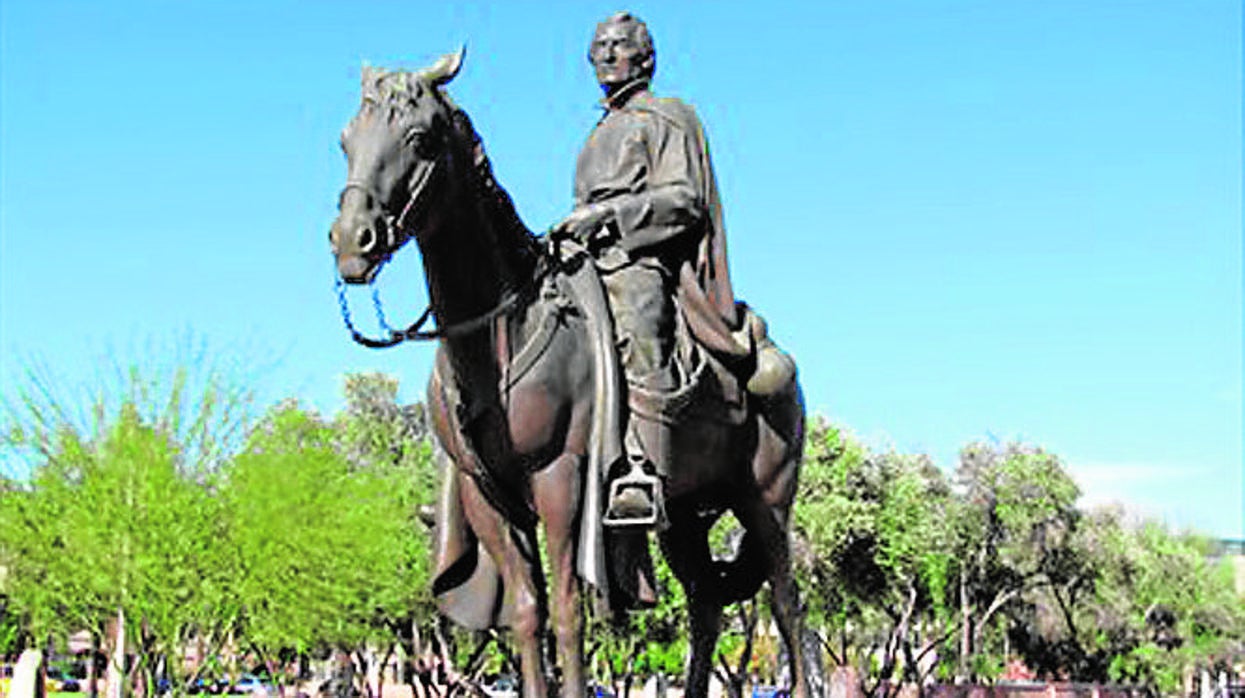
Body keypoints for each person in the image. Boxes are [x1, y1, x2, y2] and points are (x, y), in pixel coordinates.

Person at [551, 11, 738, 525]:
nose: (606, 55)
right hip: (586, 259)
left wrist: (609, 214)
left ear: (646, 57)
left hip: (640, 256)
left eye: (618, 45)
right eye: (598, 47)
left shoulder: (667, 116)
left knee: (636, 315)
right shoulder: (596, 134)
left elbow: (685, 200)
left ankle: (640, 467)